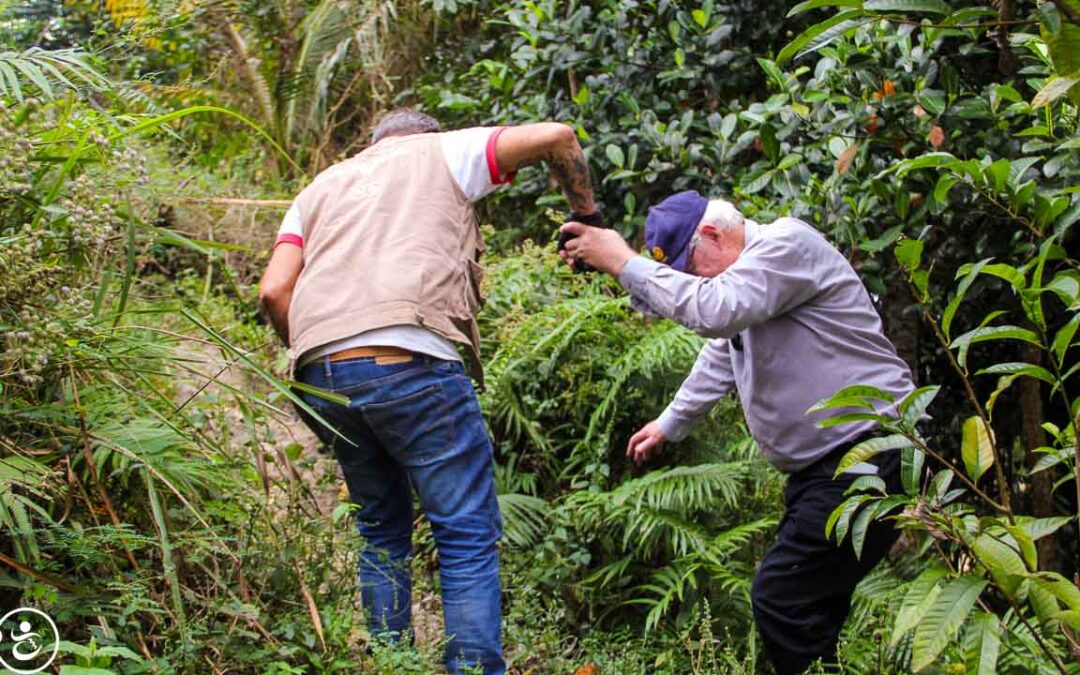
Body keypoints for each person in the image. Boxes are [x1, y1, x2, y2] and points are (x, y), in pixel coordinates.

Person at [258, 109, 597, 675]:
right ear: (428, 135)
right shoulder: (441, 152)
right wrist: (586, 214)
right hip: (411, 360)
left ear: (373, 143)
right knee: (464, 534)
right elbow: (558, 137)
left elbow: (273, 291)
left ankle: (393, 665)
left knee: (381, 532)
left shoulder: (319, 187)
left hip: (321, 374)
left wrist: (328, 354)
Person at [558, 191, 916, 674]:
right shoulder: (748, 283)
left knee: (782, 598)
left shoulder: (786, 245)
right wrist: (670, 423)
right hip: (825, 468)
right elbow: (723, 351)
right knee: (813, 608)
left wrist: (623, 261)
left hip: (869, 450)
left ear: (712, 233)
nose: (697, 280)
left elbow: (715, 311)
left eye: (693, 266)